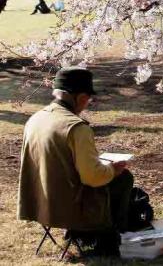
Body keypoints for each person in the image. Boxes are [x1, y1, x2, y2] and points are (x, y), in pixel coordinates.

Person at [17, 67, 134, 256]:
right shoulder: (77, 128)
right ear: (80, 98)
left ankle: (83, 234)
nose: (87, 103)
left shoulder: (35, 119)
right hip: (69, 209)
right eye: (88, 99)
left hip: (39, 204)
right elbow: (92, 178)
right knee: (124, 178)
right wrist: (113, 170)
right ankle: (108, 237)